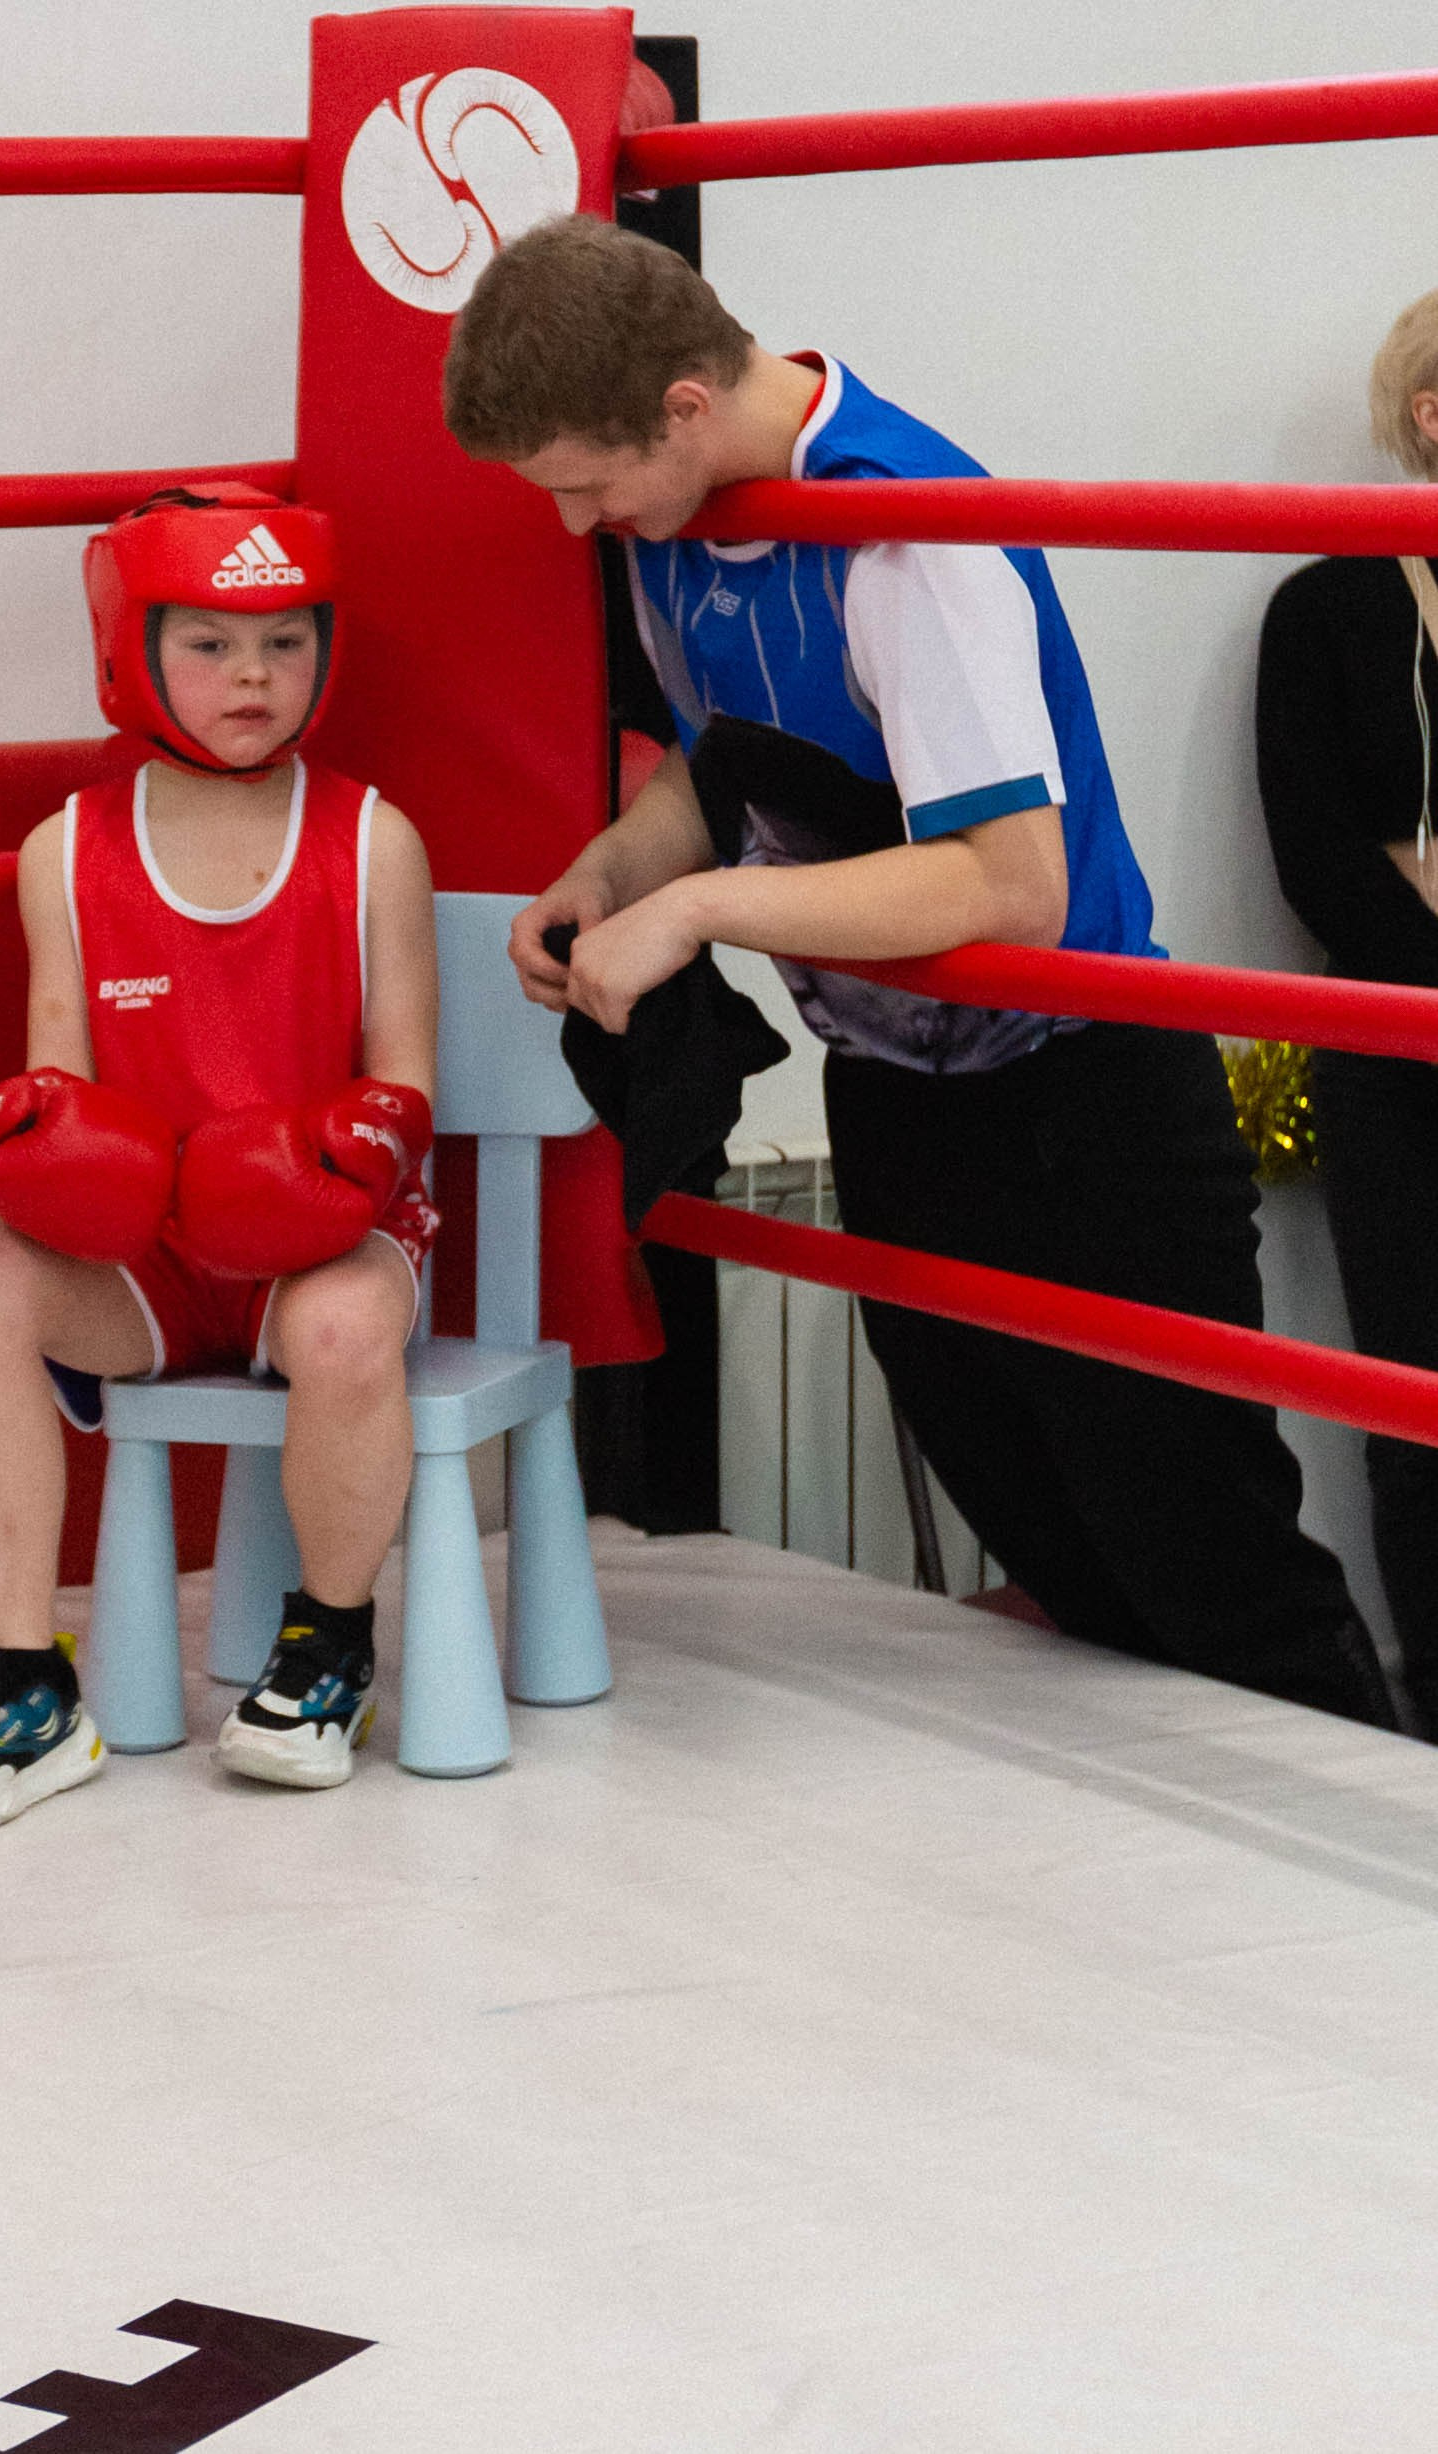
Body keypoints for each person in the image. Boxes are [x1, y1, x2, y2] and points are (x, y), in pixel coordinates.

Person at [442, 213, 1395, 1727]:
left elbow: (1012, 885)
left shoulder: (907, 531)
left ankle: (1388, 1931)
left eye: (581, 483)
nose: (575, 525)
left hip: (1084, 1100)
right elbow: (717, 769)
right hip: (898, 1090)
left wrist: (697, 916)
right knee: (1060, 1558)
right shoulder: (675, 526)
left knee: (1216, 1569)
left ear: (684, 408)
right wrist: (614, 873)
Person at [0, 482, 440, 1832]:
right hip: (150, 1260)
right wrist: (53, 1152)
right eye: (209, 641)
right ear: (135, 648)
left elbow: (410, 1077)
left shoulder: (374, 840)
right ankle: (22, 1682)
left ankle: (328, 1646)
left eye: (284, 640)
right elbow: (55, 1082)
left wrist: (339, 1153)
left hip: (319, 1248)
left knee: (356, 1315)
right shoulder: (64, 853)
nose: (252, 674)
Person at [1257, 290, 1438, 1728]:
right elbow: (1323, 862)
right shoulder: (1326, 609)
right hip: (1397, 1056)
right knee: (1419, 1398)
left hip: (1399, 1013)